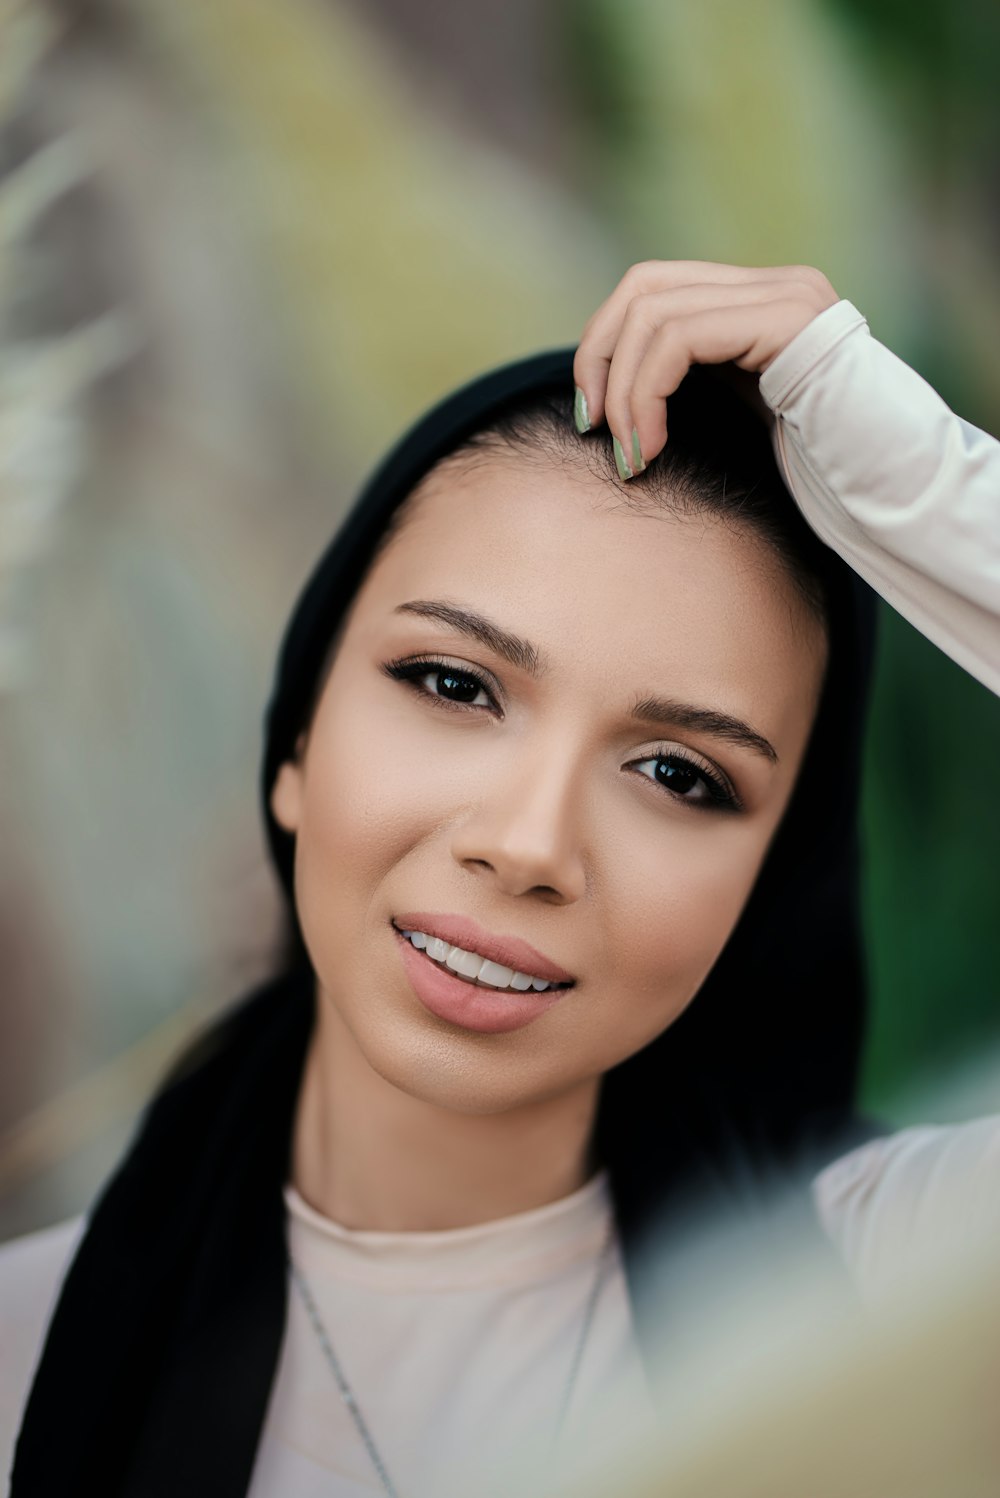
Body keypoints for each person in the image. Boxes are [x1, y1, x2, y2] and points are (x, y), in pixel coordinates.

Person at [1, 261, 997, 1498]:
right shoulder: (17, 1356)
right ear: (298, 743)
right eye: (455, 684)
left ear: (764, 880)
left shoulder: (889, 1299)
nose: (528, 845)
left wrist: (915, 470)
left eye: (679, 775)